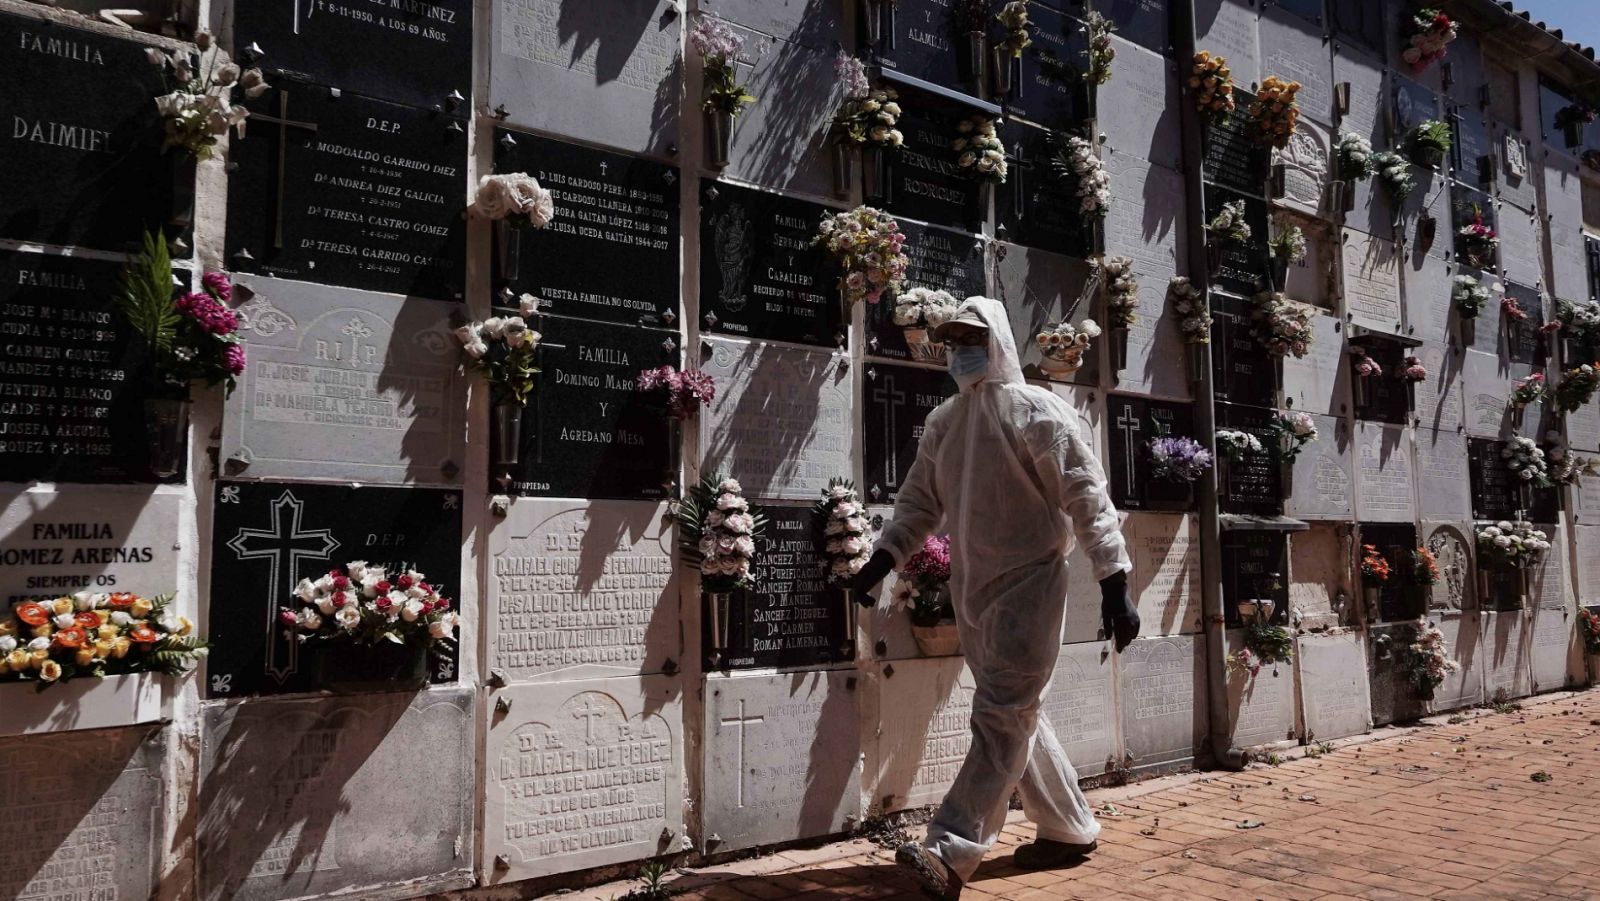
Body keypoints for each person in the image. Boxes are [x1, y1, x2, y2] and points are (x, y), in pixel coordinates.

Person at [853, 296, 1139, 899]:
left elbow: (1087, 497)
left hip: (1030, 585)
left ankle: (949, 852)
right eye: (953, 340)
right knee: (1013, 711)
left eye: (972, 338)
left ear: (999, 342)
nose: (961, 351)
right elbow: (918, 503)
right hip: (972, 588)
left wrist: (1115, 581)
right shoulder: (946, 421)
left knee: (1001, 714)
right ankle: (1068, 826)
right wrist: (882, 559)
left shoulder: (1039, 412)